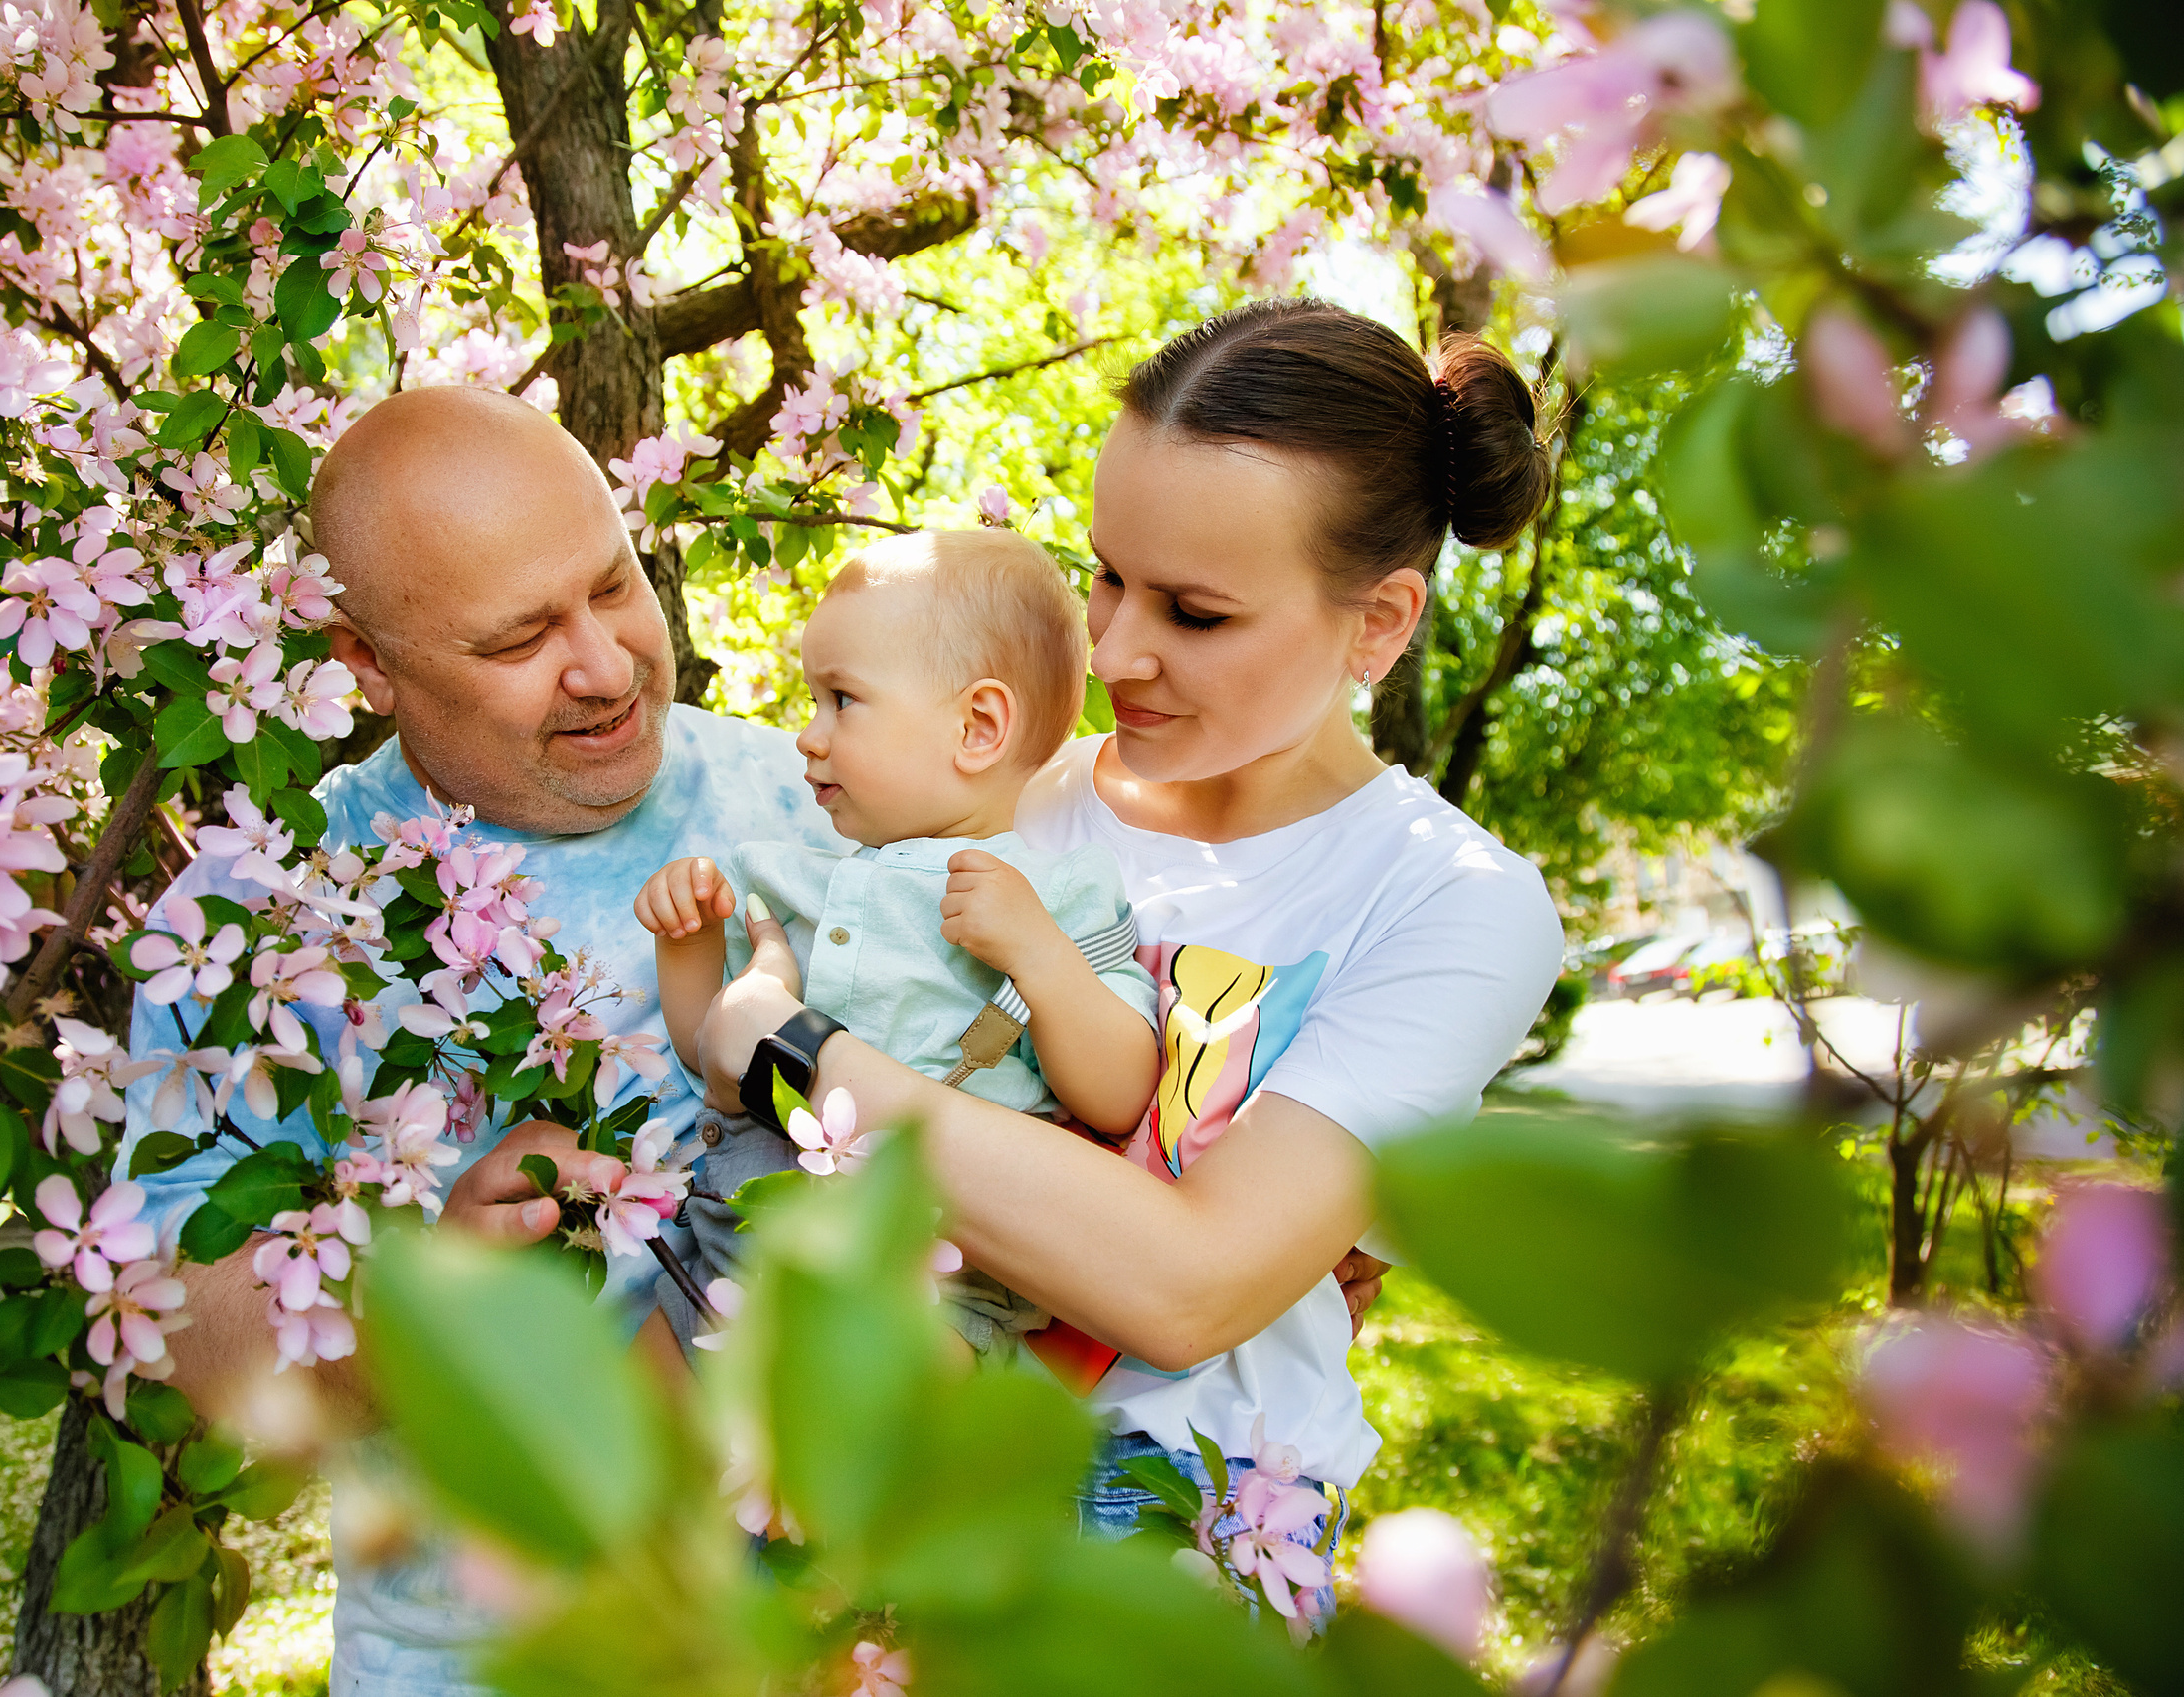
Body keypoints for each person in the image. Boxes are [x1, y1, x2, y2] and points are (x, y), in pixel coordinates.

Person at [689, 302, 1566, 1623]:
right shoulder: (993, 798)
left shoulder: (1449, 903)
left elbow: (1185, 1282)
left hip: (1162, 1524)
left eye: (1197, 612)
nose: (1112, 652)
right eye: (1105, 573)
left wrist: (789, 1056)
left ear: (1378, 621)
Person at [117, 387, 854, 1697]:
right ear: (363, 659)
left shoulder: (831, 795)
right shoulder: (265, 916)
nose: (609, 665)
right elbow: (189, 1345)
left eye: (614, 585)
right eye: (520, 637)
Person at [632, 530, 1160, 1362]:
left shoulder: (1059, 895)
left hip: (927, 1298)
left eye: (841, 699)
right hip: (732, 1254)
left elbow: (1122, 1090)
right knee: (620, 1462)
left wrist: (1041, 955)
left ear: (978, 727)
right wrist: (689, 943)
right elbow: (724, 1065)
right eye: (813, 700)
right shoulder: (802, 883)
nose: (808, 733)